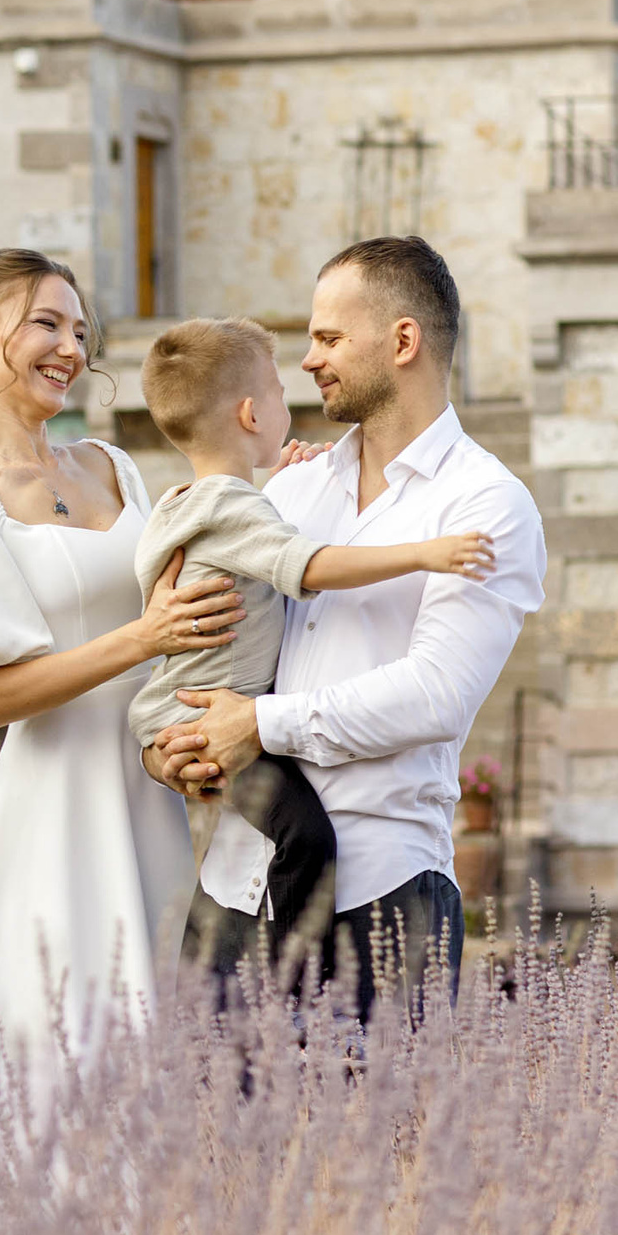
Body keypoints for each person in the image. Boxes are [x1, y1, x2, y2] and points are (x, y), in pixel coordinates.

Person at [0, 249, 245, 1233]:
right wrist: (142, 637)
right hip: (52, 819)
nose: (70, 347)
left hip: (154, 797)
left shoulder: (113, 467)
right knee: (62, 1055)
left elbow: (202, 561)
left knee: (168, 1043)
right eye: (46, 323)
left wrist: (276, 491)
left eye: (80, 330)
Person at [144, 238, 546, 1025]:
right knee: (201, 1109)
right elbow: (217, 643)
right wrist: (174, 746)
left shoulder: (486, 504)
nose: (308, 360)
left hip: (383, 900)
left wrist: (257, 725)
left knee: (373, 1111)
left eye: (328, 337)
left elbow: (435, 694)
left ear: (403, 340)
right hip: (233, 889)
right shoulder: (288, 488)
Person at [128, 315, 497, 960]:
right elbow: (311, 565)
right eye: (277, 393)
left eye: (330, 338)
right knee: (308, 840)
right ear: (251, 415)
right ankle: (293, 972)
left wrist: (275, 485)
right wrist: (423, 553)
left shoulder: (185, 502)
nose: (304, 370)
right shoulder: (238, 509)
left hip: (182, 719)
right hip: (204, 733)